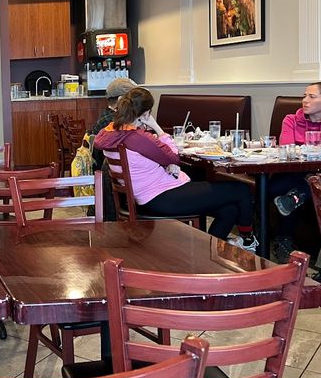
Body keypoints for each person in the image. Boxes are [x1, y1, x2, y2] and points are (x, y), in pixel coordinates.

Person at [94, 87, 256, 249]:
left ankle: (209, 252)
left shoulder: (110, 132)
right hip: (161, 197)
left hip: (146, 196)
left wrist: (166, 162)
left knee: (229, 210)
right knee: (240, 190)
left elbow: (156, 159)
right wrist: (157, 128)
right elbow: (173, 156)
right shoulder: (137, 137)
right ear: (146, 113)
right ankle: (248, 241)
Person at [271, 82, 321, 262]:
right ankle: (296, 197)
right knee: (304, 183)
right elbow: (287, 148)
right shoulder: (291, 119)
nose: (305, 101)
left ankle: (283, 239)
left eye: (312, 97)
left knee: (313, 182)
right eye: (304, 96)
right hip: (291, 173)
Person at [90, 77, 138, 221]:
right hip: (115, 184)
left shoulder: (106, 118)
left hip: (108, 185)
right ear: (121, 100)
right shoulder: (115, 124)